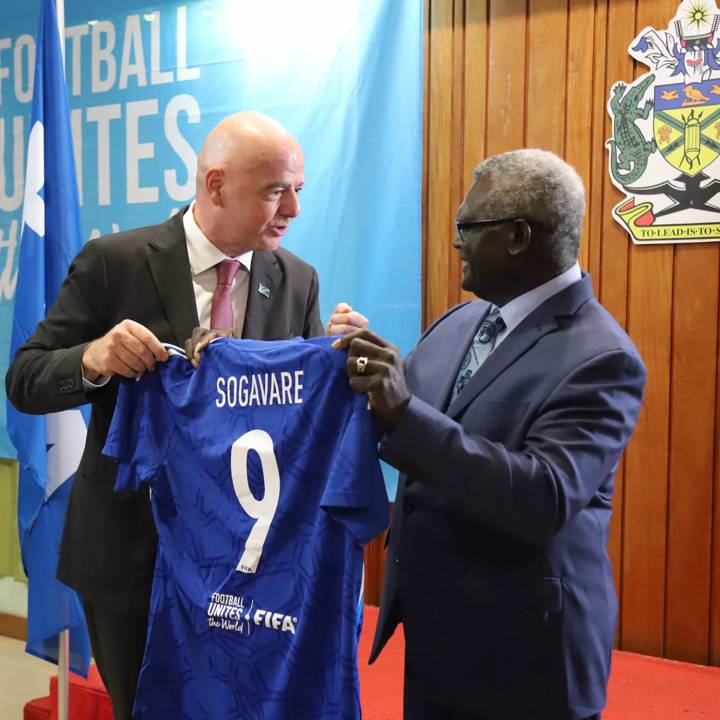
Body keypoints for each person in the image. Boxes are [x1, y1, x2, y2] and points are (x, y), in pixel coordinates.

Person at [6, 111, 367, 720]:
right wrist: (94, 358)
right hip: (132, 557)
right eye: (276, 190)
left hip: (249, 567)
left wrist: (335, 364)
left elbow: (296, 429)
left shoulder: (295, 279)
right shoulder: (112, 261)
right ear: (217, 185)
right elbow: (26, 379)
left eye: (298, 190)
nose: (293, 210)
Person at [335, 149, 647, 720]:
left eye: (467, 227)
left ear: (518, 236)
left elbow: (543, 498)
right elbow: (415, 421)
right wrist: (353, 368)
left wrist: (404, 413)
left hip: (525, 664)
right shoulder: (459, 322)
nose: (455, 241)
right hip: (437, 642)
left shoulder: (602, 358)